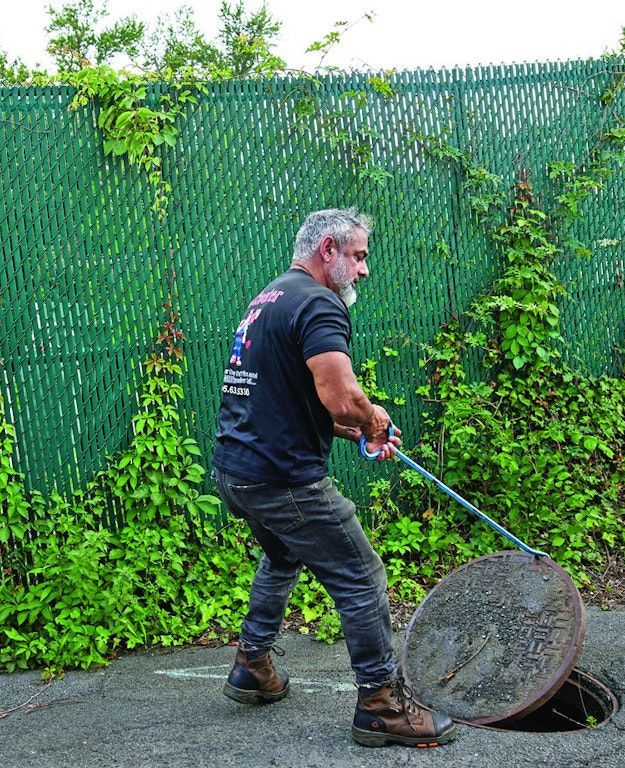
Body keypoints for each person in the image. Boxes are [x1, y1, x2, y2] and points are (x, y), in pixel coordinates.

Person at [212, 208, 456, 748]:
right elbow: (342, 397)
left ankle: (252, 665)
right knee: (361, 575)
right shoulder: (320, 303)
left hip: (237, 471)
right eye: (360, 256)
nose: (365, 270)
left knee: (281, 556)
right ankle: (381, 705)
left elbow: (287, 399)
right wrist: (373, 419)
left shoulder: (271, 297)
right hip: (283, 480)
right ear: (329, 249)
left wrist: (355, 434)